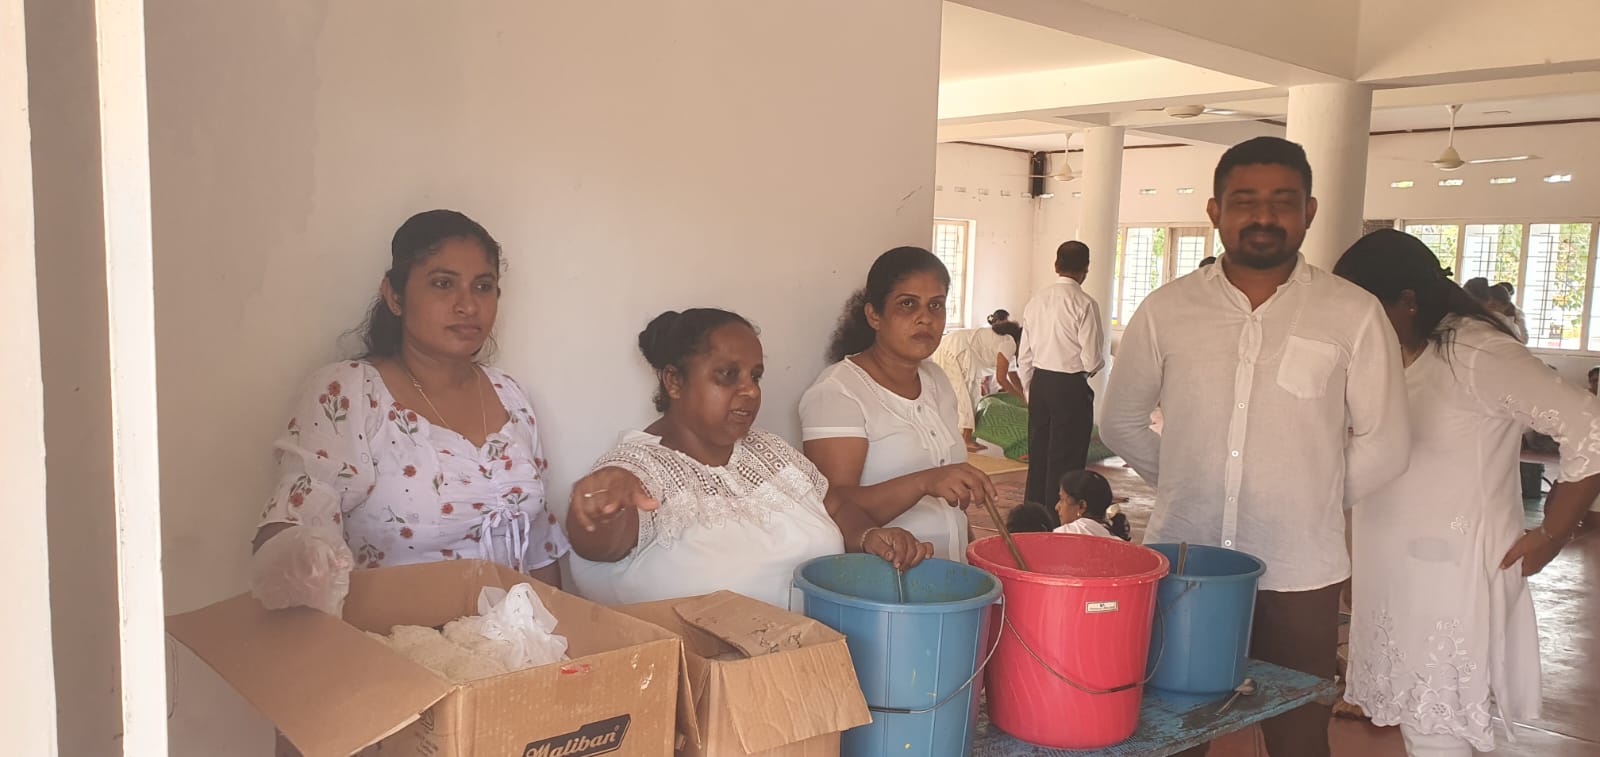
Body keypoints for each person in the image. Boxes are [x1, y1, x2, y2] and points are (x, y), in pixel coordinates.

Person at [1100, 136, 1412, 757]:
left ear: (1310, 211)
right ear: (1215, 211)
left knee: (1299, 733)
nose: (1263, 216)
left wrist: (1313, 496)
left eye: (1282, 201)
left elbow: (1388, 442)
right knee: (1174, 726)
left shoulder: (1353, 313)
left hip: (1301, 568)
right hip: (1187, 559)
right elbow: (1121, 420)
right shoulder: (1167, 310)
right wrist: (1188, 479)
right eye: (1245, 200)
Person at [1333, 230, 1600, 757]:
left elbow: (1589, 424)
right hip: (1390, 568)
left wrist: (1551, 532)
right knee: (1417, 718)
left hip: (1452, 572)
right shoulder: (1387, 355)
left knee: (1442, 726)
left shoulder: (1473, 351)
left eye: (1364, 308)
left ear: (1406, 303)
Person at [249, 210, 569, 616]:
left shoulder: (511, 396)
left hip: (516, 655)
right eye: (443, 284)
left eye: (483, 287)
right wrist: (298, 556)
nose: (467, 305)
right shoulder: (350, 394)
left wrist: (561, 641)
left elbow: (540, 548)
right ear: (395, 296)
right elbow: (291, 534)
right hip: (397, 655)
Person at [563, 309, 932, 609]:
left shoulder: (768, 450)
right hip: (706, 688)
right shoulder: (638, 468)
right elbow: (598, 545)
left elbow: (834, 505)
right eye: (728, 375)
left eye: (756, 376)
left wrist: (868, 536)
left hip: (812, 668)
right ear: (674, 382)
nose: (751, 391)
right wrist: (599, 512)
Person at [801, 247, 998, 563]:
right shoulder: (838, 392)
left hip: (949, 575)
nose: (925, 318)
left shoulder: (938, 381)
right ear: (874, 315)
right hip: (885, 579)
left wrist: (972, 559)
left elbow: (950, 509)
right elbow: (832, 504)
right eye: (908, 304)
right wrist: (924, 482)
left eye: (936, 305)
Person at [1016, 241, 1106, 505]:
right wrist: (1086, 372)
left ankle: (1034, 514)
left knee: (1039, 453)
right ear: (1086, 269)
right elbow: (1092, 359)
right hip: (1070, 386)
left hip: (1041, 384)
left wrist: (1030, 388)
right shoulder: (1085, 303)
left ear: (1056, 265)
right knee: (1066, 456)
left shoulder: (1036, 301)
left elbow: (1025, 356)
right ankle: (1061, 516)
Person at [930, 311, 1025, 452]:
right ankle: (965, 440)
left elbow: (1013, 376)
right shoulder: (1009, 343)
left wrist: (1025, 395)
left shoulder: (1010, 347)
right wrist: (1021, 398)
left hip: (956, 348)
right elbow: (1001, 379)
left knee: (970, 396)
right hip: (956, 349)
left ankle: (963, 437)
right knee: (964, 396)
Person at [1052, 469, 1130, 540]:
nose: (1057, 507)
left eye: (1062, 500)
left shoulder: (1063, 534)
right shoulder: (1118, 541)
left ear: (1082, 506)